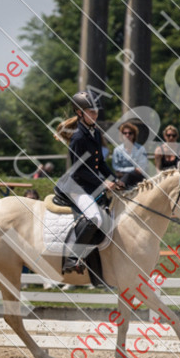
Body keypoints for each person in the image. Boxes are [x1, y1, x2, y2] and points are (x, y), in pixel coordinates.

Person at [53, 91, 117, 287]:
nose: (95, 115)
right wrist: (103, 184)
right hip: (76, 186)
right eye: (91, 111)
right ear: (80, 113)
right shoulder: (78, 137)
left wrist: (114, 179)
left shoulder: (95, 132)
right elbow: (79, 171)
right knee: (95, 218)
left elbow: (100, 163)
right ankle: (73, 258)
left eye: (96, 111)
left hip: (90, 184)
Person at [110, 121, 149, 189]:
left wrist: (123, 171)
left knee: (128, 175)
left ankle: (120, 187)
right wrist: (133, 169)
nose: (127, 135)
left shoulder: (141, 149)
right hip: (121, 177)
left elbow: (141, 169)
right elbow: (116, 168)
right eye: (124, 133)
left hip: (137, 178)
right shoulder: (117, 150)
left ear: (134, 135)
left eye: (130, 133)